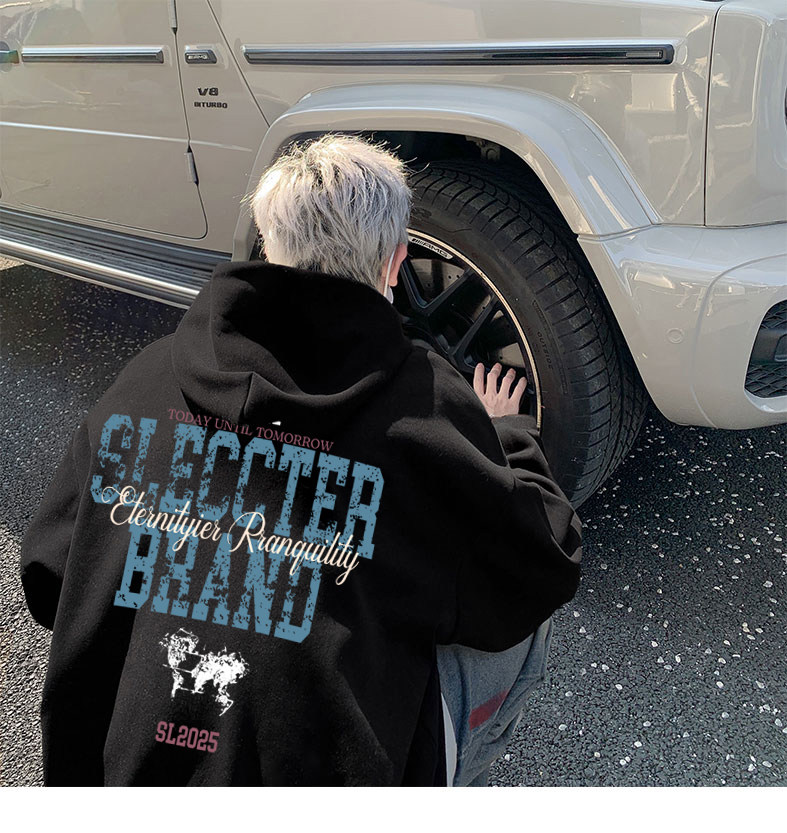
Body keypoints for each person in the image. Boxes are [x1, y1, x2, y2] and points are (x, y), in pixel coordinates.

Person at [19, 134, 582, 786]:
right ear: (396, 260)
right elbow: (543, 565)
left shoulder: (146, 379)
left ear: (267, 241)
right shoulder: (427, 404)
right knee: (522, 624)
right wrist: (507, 435)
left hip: (113, 777)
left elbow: (47, 576)